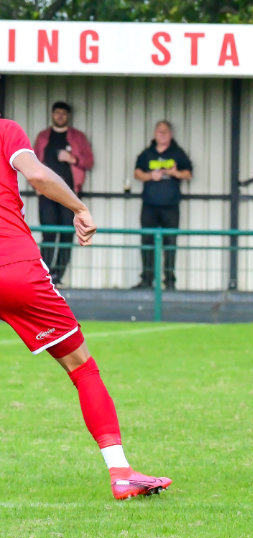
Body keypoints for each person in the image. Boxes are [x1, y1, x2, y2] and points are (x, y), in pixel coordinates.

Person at [0, 116, 172, 500]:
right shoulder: (6, 130)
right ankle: (121, 473)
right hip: (14, 268)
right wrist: (79, 208)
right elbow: (38, 175)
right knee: (82, 367)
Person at [32, 101, 94, 287]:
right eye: (57, 113)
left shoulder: (77, 137)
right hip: (46, 193)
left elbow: (89, 161)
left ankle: (58, 275)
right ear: (52, 114)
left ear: (68, 116)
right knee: (49, 234)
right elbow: (31, 161)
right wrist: (36, 186)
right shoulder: (43, 137)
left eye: (63, 113)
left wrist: (72, 158)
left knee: (67, 234)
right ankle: (45, 276)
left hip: (70, 194)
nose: (60, 116)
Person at [133, 120, 193, 290]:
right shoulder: (147, 153)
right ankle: (147, 279)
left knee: (170, 243)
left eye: (166, 131)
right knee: (147, 242)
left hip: (171, 206)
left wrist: (175, 173)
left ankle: (170, 281)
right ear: (155, 134)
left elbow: (188, 173)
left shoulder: (178, 153)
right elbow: (137, 173)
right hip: (149, 205)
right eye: (160, 131)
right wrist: (150, 176)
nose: (163, 134)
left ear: (171, 134)